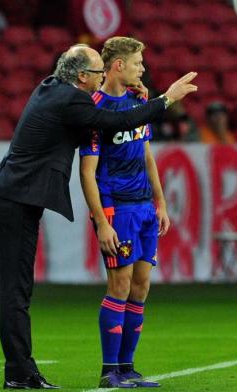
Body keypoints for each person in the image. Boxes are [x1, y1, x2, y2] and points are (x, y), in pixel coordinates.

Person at [0, 44, 197, 390]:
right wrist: (165, 100)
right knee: (15, 291)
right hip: (14, 198)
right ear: (82, 76)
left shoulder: (52, 87)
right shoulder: (73, 101)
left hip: (16, 195)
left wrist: (134, 94)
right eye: (98, 72)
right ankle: (19, 373)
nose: (102, 78)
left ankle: (22, 370)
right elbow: (115, 121)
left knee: (20, 289)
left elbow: (119, 121)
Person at [79, 37, 176, 389]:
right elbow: (87, 172)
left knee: (141, 286)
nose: (142, 69)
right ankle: (109, 372)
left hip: (144, 208)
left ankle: (128, 367)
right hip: (116, 209)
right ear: (118, 65)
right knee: (118, 285)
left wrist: (160, 202)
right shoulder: (96, 109)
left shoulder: (138, 102)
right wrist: (102, 222)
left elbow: (147, 154)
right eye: (137, 63)